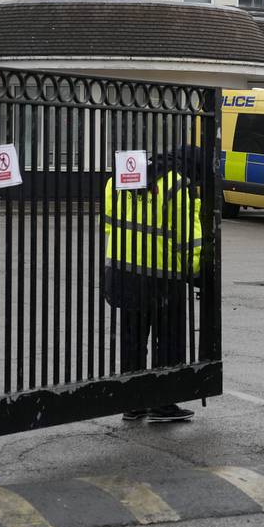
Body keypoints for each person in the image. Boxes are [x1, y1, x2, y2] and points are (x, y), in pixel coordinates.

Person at [103, 145, 204, 423]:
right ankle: (163, 403)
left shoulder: (121, 178)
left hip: (125, 273)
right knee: (168, 342)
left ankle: (132, 403)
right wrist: (197, 272)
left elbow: (111, 224)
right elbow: (188, 239)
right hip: (163, 278)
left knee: (132, 340)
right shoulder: (178, 186)